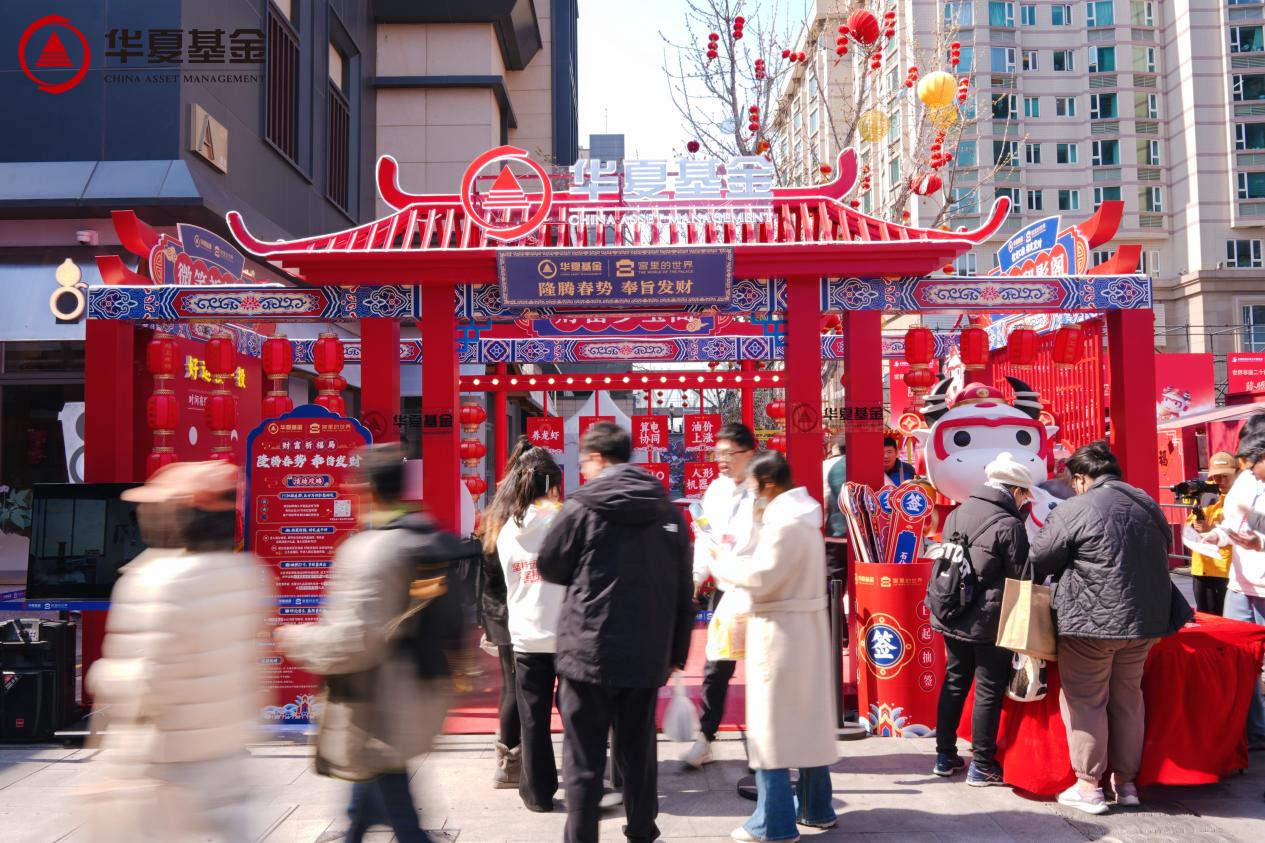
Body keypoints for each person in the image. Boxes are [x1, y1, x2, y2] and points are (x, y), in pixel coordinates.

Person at [276, 445, 478, 843]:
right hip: (422, 688)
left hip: (378, 699)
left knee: (396, 804)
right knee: (367, 801)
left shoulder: (369, 551)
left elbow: (355, 639)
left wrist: (295, 639)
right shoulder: (428, 536)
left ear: (365, 490)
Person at [86, 461, 269, 842]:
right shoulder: (248, 573)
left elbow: (151, 686)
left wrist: (103, 675)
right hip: (227, 756)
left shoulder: (157, 581)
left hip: (167, 767)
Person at [537, 422, 693, 843]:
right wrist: (676, 652)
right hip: (646, 651)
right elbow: (684, 586)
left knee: (583, 759)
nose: (584, 470)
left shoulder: (581, 507)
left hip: (588, 650)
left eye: (585, 462)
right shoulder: (666, 511)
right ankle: (641, 831)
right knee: (638, 751)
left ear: (597, 458)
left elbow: (550, 565)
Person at [1028, 441, 1175, 814]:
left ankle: (1088, 787)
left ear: (1080, 478)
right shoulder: (1147, 504)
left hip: (1089, 623)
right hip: (1144, 621)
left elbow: (1040, 558)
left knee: (1086, 701)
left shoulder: (1074, 508)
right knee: (1128, 700)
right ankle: (1126, 784)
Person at [707, 451, 837, 842]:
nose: (752, 495)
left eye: (753, 486)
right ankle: (815, 807)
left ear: (767, 483)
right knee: (806, 724)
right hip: (805, 631)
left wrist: (720, 562)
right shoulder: (803, 516)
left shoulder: (784, 523)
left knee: (771, 731)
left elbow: (762, 577)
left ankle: (773, 823)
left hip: (780, 634)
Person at [931, 453, 1033, 786]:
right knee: (988, 689)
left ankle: (944, 756)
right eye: (1024, 495)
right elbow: (1023, 577)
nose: (1025, 501)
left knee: (955, 680)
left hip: (952, 611)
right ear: (1014, 491)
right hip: (990, 620)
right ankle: (982, 765)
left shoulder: (957, 513)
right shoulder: (1010, 525)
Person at [484, 445, 566, 812]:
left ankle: (537, 794)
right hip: (566, 633)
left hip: (525, 634)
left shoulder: (506, 531)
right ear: (553, 487)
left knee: (533, 719)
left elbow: (506, 581)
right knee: (577, 712)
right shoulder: (563, 522)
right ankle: (587, 781)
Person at [681, 422, 759, 769]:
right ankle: (706, 736)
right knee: (717, 664)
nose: (722, 460)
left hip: (760, 591)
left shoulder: (764, 490)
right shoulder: (714, 490)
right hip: (727, 591)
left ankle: (765, 744)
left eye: (729, 453)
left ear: (749, 453)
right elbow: (706, 536)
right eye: (718, 453)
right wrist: (697, 577)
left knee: (761, 667)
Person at [476, 437, 538, 791]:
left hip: (499, 611)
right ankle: (534, 758)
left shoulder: (494, 512)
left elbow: (486, 574)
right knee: (537, 686)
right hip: (528, 606)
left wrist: (487, 621)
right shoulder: (534, 513)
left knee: (510, 686)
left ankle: (508, 763)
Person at [1205, 434, 1265, 750]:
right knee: (1237, 662)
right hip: (1240, 585)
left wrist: (1261, 542)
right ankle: (1255, 729)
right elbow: (1234, 526)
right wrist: (1217, 535)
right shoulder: (1244, 483)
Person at [1186, 451, 1237, 616]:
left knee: (1232, 622)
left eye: (1225, 476)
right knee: (1207, 618)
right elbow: (1188, 526)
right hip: (1201, 568)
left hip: (1228, 570)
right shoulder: (1204, 492)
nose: (1220, 481)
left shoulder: (1242, 496)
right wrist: (1194, 527)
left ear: (1236, 473)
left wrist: (1211, 530)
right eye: (1216, 477)